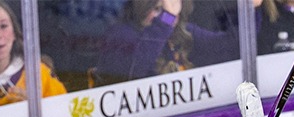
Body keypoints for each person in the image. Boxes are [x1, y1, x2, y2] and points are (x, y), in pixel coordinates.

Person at [101, 0, 239, 82]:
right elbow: (130, 73)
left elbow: (229, 48)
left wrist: (251, 9)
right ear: (143, 7)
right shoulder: (120, 34)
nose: (170, 17)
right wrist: (166, 19)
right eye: (158, 9)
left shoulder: (181, 33)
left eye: (173, 9)